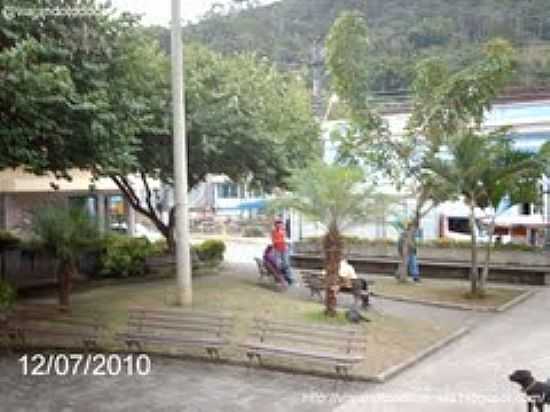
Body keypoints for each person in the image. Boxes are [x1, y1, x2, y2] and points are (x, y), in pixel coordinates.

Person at [271, 218, 294, 284]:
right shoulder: (273, 231)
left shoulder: (283, 231)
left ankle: (289, 278)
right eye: (278, 224)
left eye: (281, 224)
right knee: (277, 264)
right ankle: (279, 278)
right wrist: (280, 240)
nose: (279, 226)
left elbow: (285, 239)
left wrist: (283, 241)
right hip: (277, 249)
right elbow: (274, 240)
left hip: (284, 249)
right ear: (275, 225)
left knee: (286, 263)